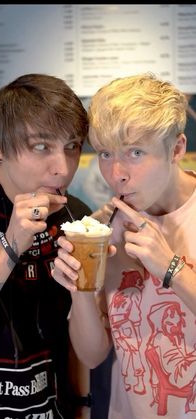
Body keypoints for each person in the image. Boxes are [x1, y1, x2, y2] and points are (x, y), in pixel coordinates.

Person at [0, 73, 112, 419]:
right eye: (41, 146)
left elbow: (84, 351)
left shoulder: (74, 216)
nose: (62, 168)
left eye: (72, 146)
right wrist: (12, 242)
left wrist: (82, 408)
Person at [52, 73, 196, 419]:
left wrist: (171, 268)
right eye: (105, 153)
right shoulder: (106, 227)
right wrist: (80, 288)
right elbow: (92, 355)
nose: (116, 173)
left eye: (135, 152)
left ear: (176, 148)